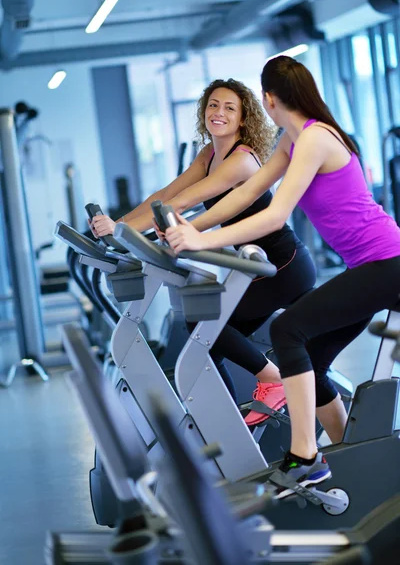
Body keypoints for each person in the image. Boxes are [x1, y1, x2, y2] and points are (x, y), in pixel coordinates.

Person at [165, 56, 400, 496]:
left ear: (270, 100)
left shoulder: (314, 139)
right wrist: (190, 229)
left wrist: (201, 242)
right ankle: (351, 453)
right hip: (371, 267)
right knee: (310, 352)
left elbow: (274, 215)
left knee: (288, 329)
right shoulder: (293, 143)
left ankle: (306, 458)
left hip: (386, 264)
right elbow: (248, 194)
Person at [91, 78, 316, 423]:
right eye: (213, 105)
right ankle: (225, 421)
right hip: (256, 265)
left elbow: (184, 202)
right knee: (205, 340)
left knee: (203, 324)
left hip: (283, 266)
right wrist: (116, 224)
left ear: (243, 119)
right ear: (204, 111)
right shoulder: (209, 153)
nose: (219, 112)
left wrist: (123, 231)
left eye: (229, 108)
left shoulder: (241, 161)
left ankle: (271, 379)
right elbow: (165, 195)